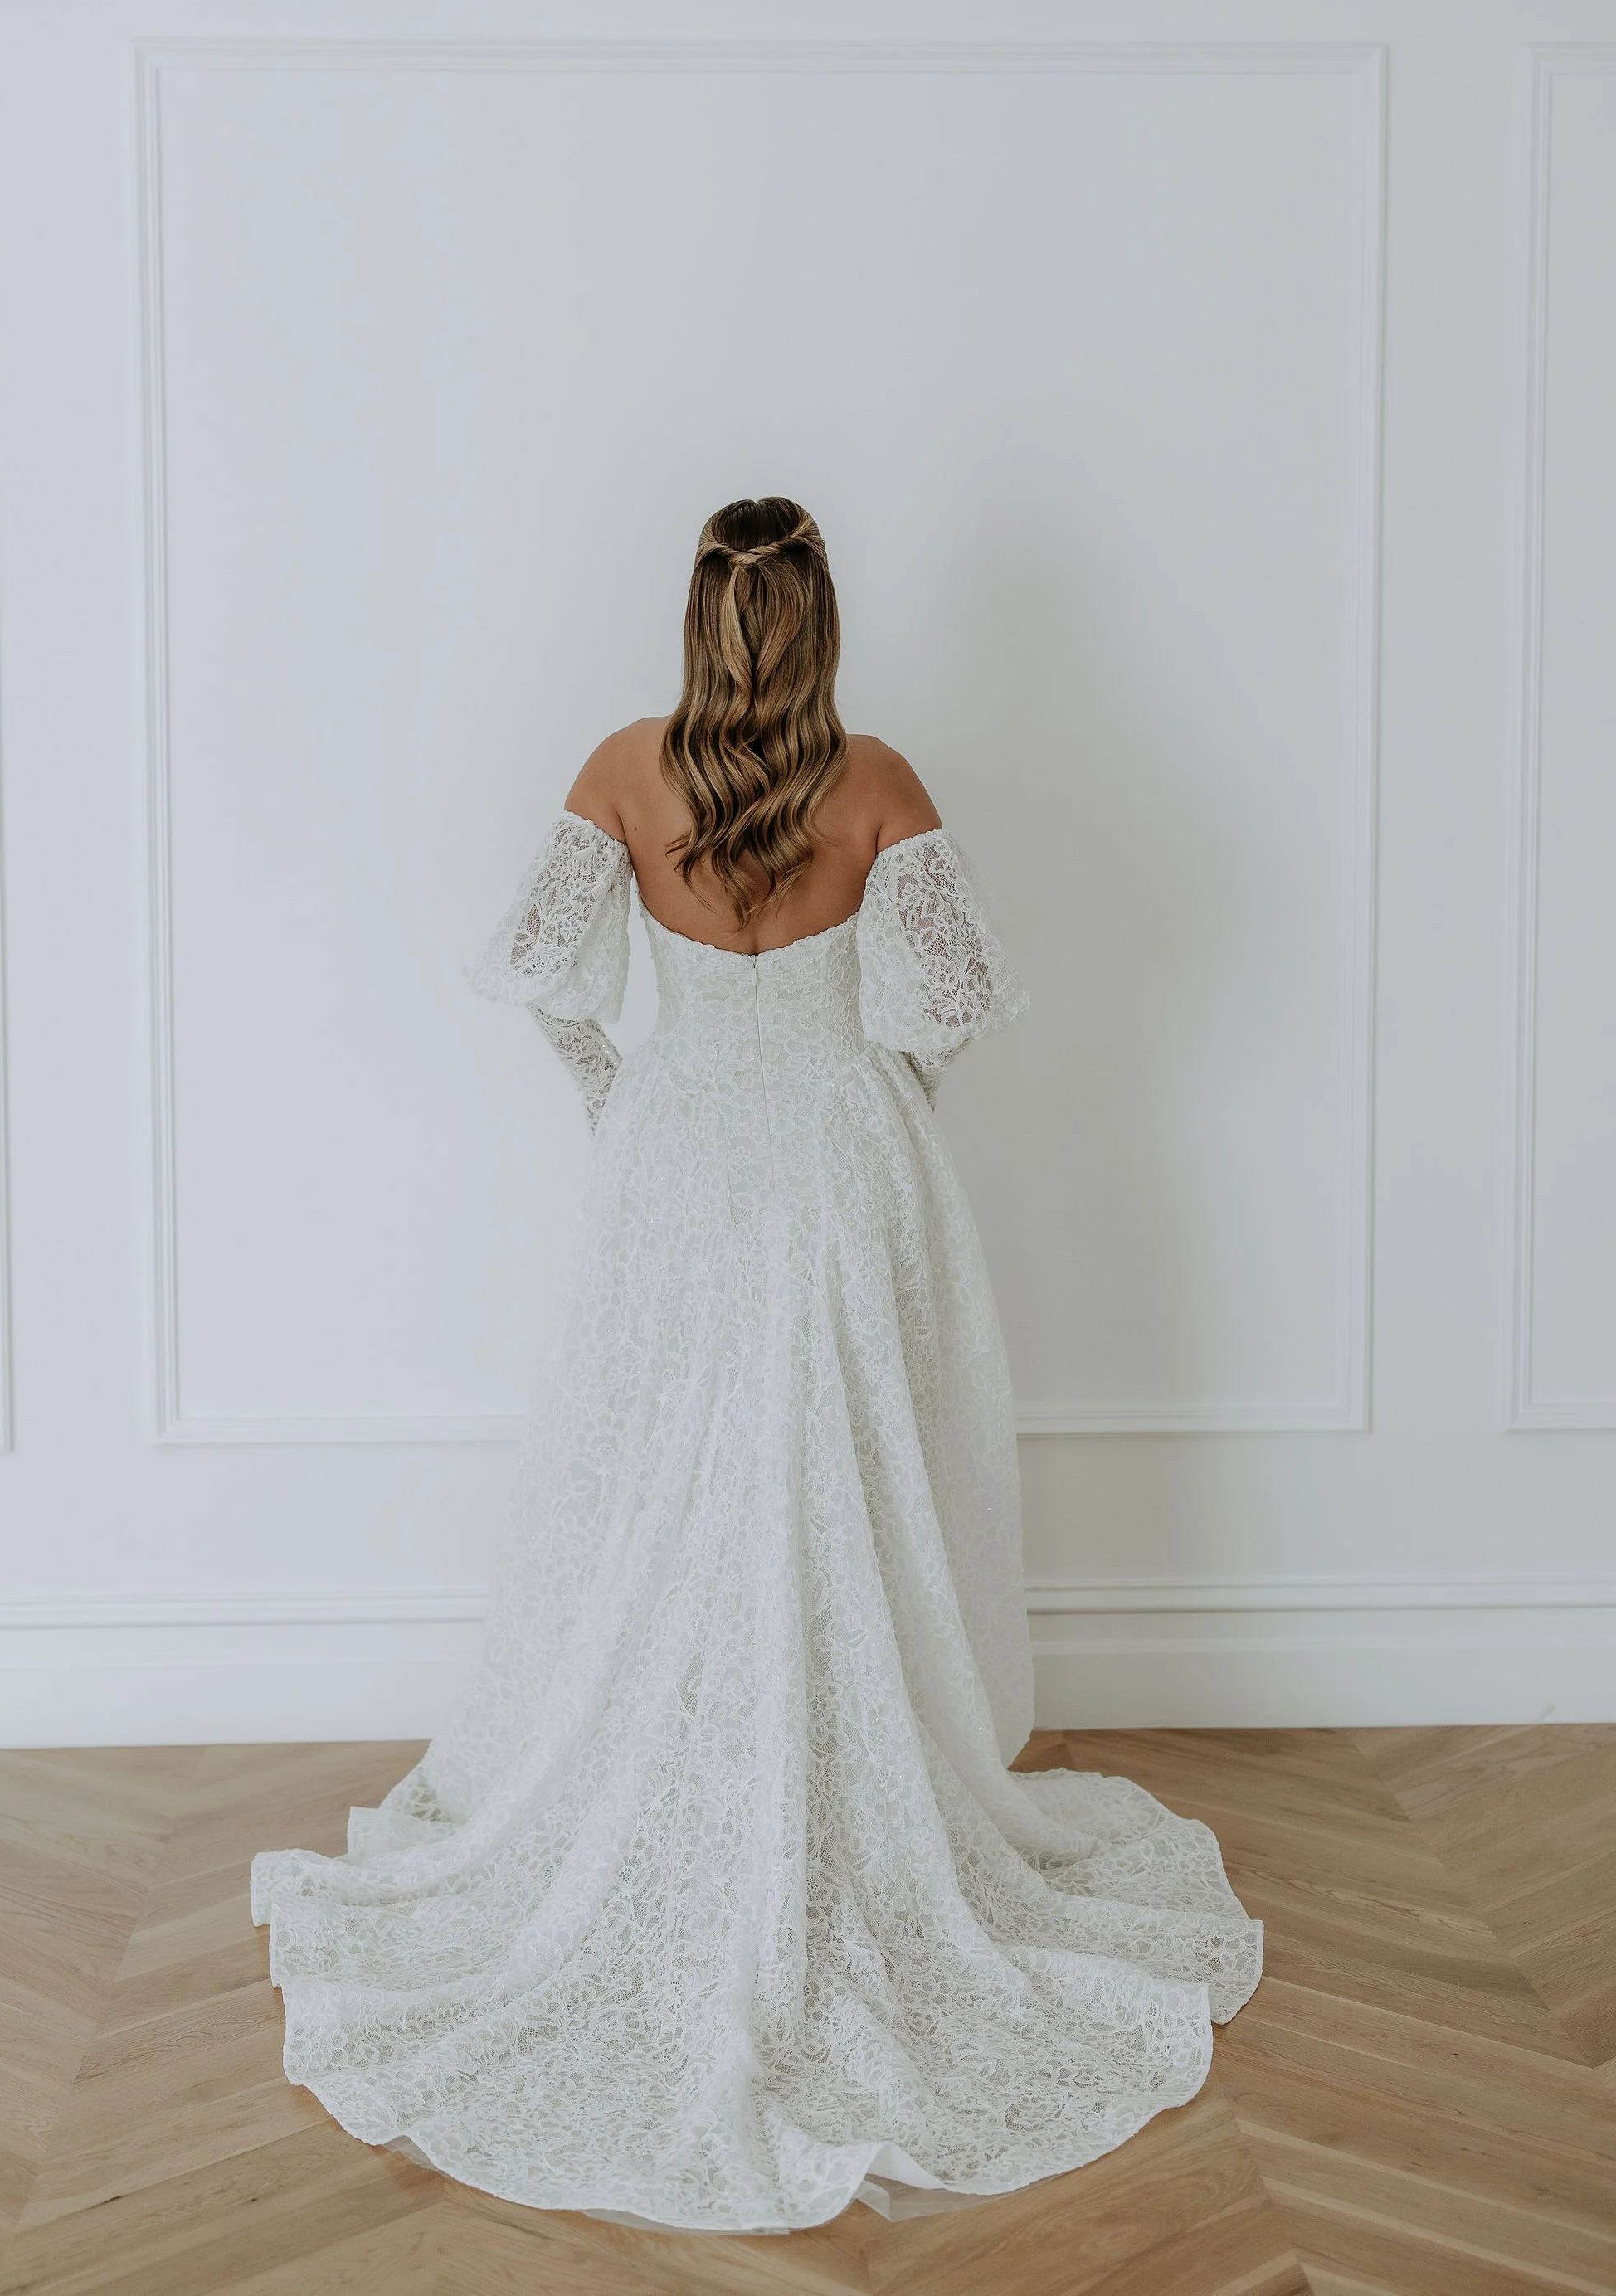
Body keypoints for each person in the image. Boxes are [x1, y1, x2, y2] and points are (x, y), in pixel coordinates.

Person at [251, 496, 1263, 2236]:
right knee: (833, 1473)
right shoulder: (877, 784)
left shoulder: (622, 770)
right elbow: (952, 998)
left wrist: (628, 1091)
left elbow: (536, 975)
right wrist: (876, 1098)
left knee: (672, 1472)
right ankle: (818, 1794)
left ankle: (689, 1792)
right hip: (844, 1163)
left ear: (700, 616)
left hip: (681, 1159)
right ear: (819, 619)